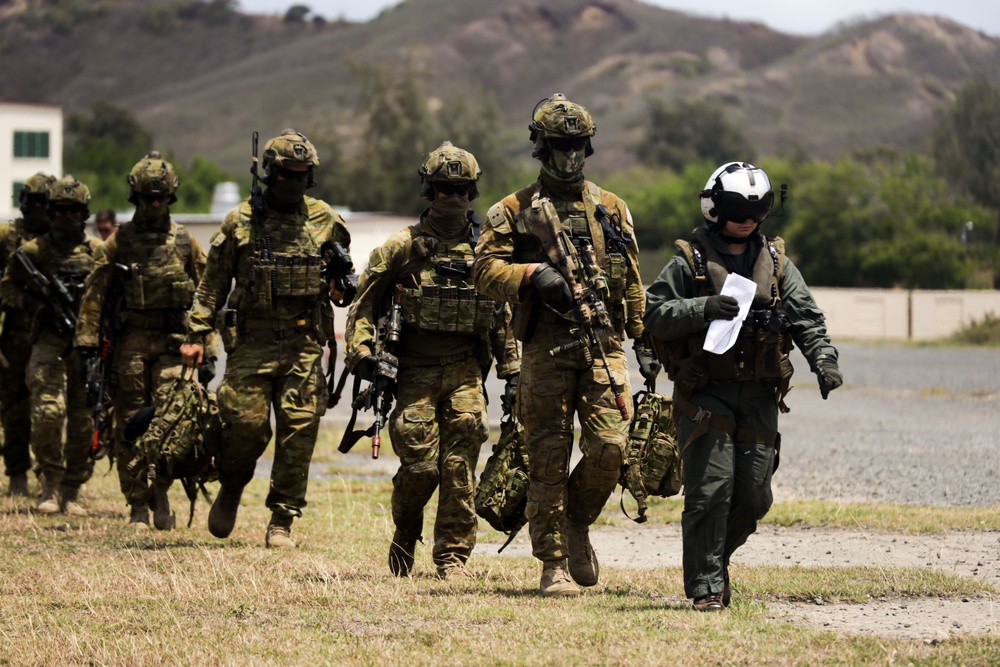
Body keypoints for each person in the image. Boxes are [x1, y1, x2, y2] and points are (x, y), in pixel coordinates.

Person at [473, 94, 657, 597]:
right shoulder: (512, 209)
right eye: (559, 146)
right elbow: (483, 271)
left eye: (577, 145)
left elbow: (633, 278)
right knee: (547, 457)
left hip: (602, 341)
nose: (569, 155)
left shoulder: (611, 207)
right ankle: (552, 562)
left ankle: (577, 521)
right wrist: (532, 273)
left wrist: (643, 336)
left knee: (612, 446)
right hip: (544, 347)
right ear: (541, 148)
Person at [643, 161, 843, 612]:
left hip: (758, 396)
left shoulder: (775, 262)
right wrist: (703, 308)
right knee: (710, 490)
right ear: (716, 208)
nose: (747, 217)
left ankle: (715, 561)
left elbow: (807, 317)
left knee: (754, 497)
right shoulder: (689, 261)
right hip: (706, 393)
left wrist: (824, 360)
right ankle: (706, 586)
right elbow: (654, 314)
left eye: (758, 208)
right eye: (737, 207)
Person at [344, 142, 520, 579]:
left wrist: (512, 373)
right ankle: (406, 530)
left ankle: (452, 557)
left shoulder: (488, 251)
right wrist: (362, 353)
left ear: (473, 192)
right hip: (412, 372)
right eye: (443, 189)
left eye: (460, 189)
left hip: (464, 369)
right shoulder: (400, 249)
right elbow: (362, 307)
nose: (452, 197)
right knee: (421, 466)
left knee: (459, 465)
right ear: (429, 190)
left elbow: (503, 316)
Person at [180, 128, 351, 549]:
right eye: (286, 174)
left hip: (304, 345)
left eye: (302, 175)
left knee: (299, 431)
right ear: (269, 173)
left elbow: (342, 279)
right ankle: (234, 484)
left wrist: (340, 289)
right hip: (251, 343)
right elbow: (211, 284)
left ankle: (282, 520)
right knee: (245, 428)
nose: (293, 183)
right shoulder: (240, 221)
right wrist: (197, 332)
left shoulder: (325, 219)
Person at [75, 152, 212, 530]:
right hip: (131, 344)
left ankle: (161, 492)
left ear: (170, 197)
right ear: (136, 197)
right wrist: (87, 343)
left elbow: (207, 294)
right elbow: (95, 295)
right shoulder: (119, 242)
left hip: (173, 345)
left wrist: (209, 346)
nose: (156, 205)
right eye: (149, 198)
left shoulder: (185, 241)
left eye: (161, 198)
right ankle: (137, 505)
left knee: (169, 425)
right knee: (129, 425)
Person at [1, 176, 101, 515]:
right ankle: (50, 484)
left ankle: (71, 490)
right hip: (46, 340)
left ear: (84, 213)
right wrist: (34, 305)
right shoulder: (32, 252)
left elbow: (114, 295)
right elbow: (7, 288)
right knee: (46, 412)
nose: (65, 217)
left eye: (73, 210)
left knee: (83, 421)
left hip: (86, 344)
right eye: (59, 210)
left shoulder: (98, 252)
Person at [0, 172, 56, 498]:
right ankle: (17, 474)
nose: (37, 208)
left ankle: (51, 478)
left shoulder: (63, 239)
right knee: (14, 409)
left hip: (51, 334)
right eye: (32, 202)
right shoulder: (8, 234)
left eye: (43, 203)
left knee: (50, 409)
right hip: (16, 333)